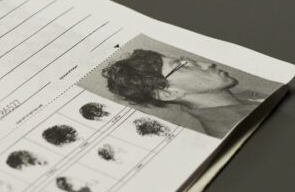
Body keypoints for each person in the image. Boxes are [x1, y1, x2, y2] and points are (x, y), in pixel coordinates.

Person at [102, 49, 266, 137]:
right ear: (169, 93)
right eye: (183, 66)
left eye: (191, 62)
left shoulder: (247, 97)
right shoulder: (236, 131)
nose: (208, 64)